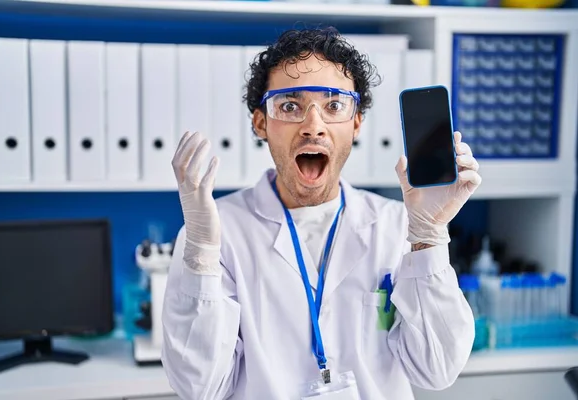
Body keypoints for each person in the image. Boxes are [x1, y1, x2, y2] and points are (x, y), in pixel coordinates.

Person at [161, 27, 482, 400]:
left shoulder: (398, 227)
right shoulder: (217, 233)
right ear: (261, 122)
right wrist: (201, 251)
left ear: (356, 123)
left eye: (334, 106)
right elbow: (199, 387)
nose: (313, 127)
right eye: (290, 106)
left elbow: (437, 369)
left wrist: (429, 235)